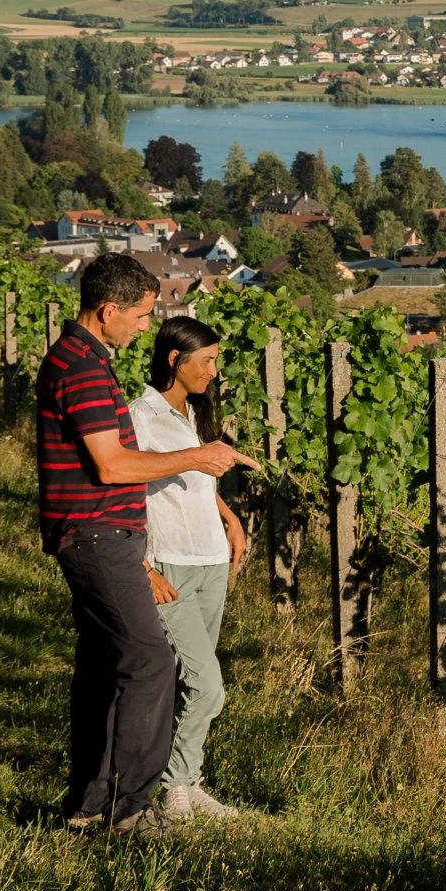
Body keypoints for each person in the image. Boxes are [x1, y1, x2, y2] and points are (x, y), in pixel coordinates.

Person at [37, 254, 252, 836]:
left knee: (107, 666)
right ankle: (128, 809)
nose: (144, 327)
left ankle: (87, 806)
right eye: (140, 315)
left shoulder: (85, 360)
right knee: (150, 662)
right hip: (96, 533)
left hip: (102, 533)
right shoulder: (82, 369)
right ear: (110, 311)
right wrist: (200, 458)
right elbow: (111, 466)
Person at [130, 317, 250, 821]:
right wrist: (143, 564)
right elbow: (123, 488)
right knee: (206, 684)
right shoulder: (141, 415)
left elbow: (202, 479)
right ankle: (174, 788)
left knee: (194, 682)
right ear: (175, 360)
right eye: (207, 360)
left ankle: (188, 780)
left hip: (210, 561)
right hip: (171, 562)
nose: (213, 371)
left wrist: (231, 519)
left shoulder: (195, 413)